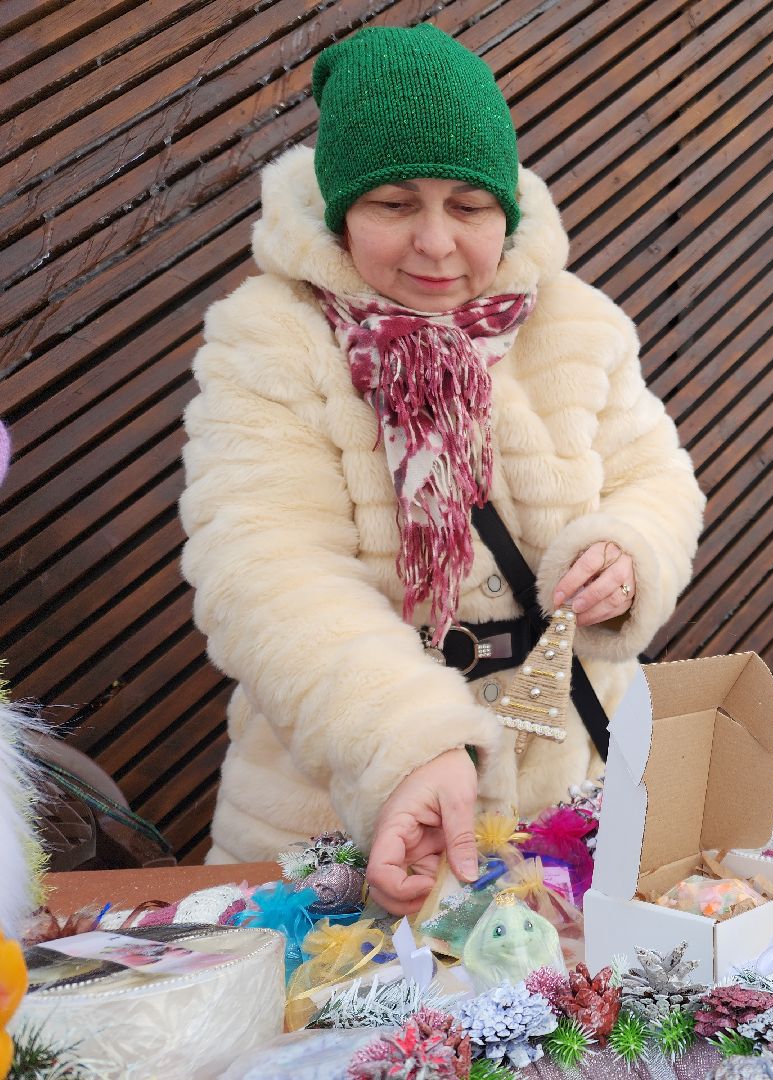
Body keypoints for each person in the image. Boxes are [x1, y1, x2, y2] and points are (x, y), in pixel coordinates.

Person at [179, 23, 705, 913]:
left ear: (506, 208)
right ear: (343, 209)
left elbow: (658, 479)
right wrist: (405, 738)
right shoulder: (269, 339)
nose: (435, 243)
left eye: (468, 206)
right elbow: (263, 568)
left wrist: (627, 551)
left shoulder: (574, 322)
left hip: (566, 811)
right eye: (393, 202)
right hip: (349, 814)